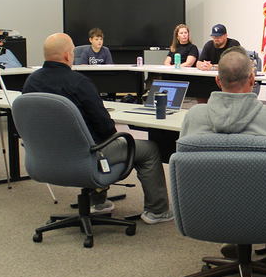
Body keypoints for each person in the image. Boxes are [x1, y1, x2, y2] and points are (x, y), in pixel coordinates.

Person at [23, 33, 173, 224]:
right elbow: (105, 128)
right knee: (148, 149)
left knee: (89, 138)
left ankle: (98, 203)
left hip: (43, 159)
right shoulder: (78, 82)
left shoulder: (30, 82)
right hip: (84, 158)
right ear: (69, 56)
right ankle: (157, 211)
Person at [180, 49, 266, 266]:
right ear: (252, 79)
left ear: (217, 81)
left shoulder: (193, 116)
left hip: (209, 210)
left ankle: (231, 235)